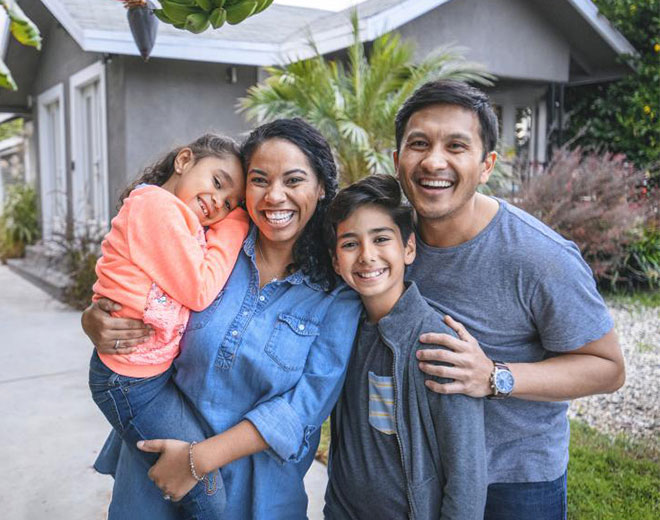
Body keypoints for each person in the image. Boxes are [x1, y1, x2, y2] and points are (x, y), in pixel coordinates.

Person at [81, 118, 362, 519]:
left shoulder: (335, 291)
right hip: (154, 470)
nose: (275, 196)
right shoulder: (208, 243)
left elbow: (303, 406)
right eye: (260, 180)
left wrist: (198, 459)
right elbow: (129, 279)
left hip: (253, 492)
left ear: (320, 189)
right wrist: (95, 318)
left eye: (294, 180)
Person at [393, 80, 625, 519]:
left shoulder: (538, 256)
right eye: (418, 143)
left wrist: (494, 377)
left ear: (486, 165)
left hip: (515, 482)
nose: (434, 161)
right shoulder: (387, 244)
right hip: (419, 471)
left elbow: (608, 368)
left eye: (456, 145)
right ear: (397, 160)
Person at [88, 133, 250, 518]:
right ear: (184, 161)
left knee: (197, 482)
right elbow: (198, 289)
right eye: (217, 182)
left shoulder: (181, 219)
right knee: (206, 493)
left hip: (145, 377)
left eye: (230, 203)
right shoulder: (157, 207)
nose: (219, 203)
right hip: (130, 383)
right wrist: (238, 222)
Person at [323, 174, 487, 520]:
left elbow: (467, 474)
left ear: (408, 248)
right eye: (350, 244)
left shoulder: (437, 344)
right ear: (336, 261)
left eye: (381, 239)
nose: (367, 256)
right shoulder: (341, 331)